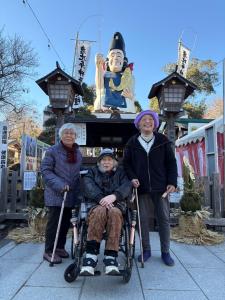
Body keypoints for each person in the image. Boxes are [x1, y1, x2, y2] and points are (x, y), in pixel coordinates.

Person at [123, 110, 177, 266]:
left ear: (155, 124)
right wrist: (133, 177)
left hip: (161, 188)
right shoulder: (132, 143)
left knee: (164, 219)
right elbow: (126, 163)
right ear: (138, 124)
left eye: (151, 119)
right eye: (144, 120)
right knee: (142, 220)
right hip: (141, 188)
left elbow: (171, 163)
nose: (148, 122)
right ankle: (145, 250)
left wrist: (172, 182)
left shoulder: (163, 140)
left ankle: (165, 252)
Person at [80, 148, 132, 275]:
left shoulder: (121, 173)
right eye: (103, 160)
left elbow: (126, 185)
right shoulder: (91, 172)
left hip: (116, 204)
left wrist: (114, 196)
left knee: (114, 213)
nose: (106, 162)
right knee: (100, 211)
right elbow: (88, 186)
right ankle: (91, 256)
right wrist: (101, 199)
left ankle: (111, 256)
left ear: (114, 162)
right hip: (96, 204)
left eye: (109, 160)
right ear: (99, 162)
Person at [41, 123, 82, 264]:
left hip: (71, 194)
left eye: (72, 133)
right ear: (61, 135)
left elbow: (78, 172)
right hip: (56, 192)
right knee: (54, 223)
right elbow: (46, 170)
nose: (69, 135)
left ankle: (59, 248)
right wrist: (59, 184)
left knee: (65, 223)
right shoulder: (52, 151)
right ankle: (49, 251)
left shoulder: (77, 152)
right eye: (66, 133)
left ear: (76, 136)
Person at [94, 32, 136, 113]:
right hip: (106, 102)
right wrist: (98, 67)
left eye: (119, 55)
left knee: (130, 103)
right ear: (108, 60)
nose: (116, 58)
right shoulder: (106, 74)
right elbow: (99, 88)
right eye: (112, 55)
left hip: (123, 104)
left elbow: (132, 94)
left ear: (124, 60)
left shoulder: (128, 76)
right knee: (100, 98)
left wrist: (131, 96)